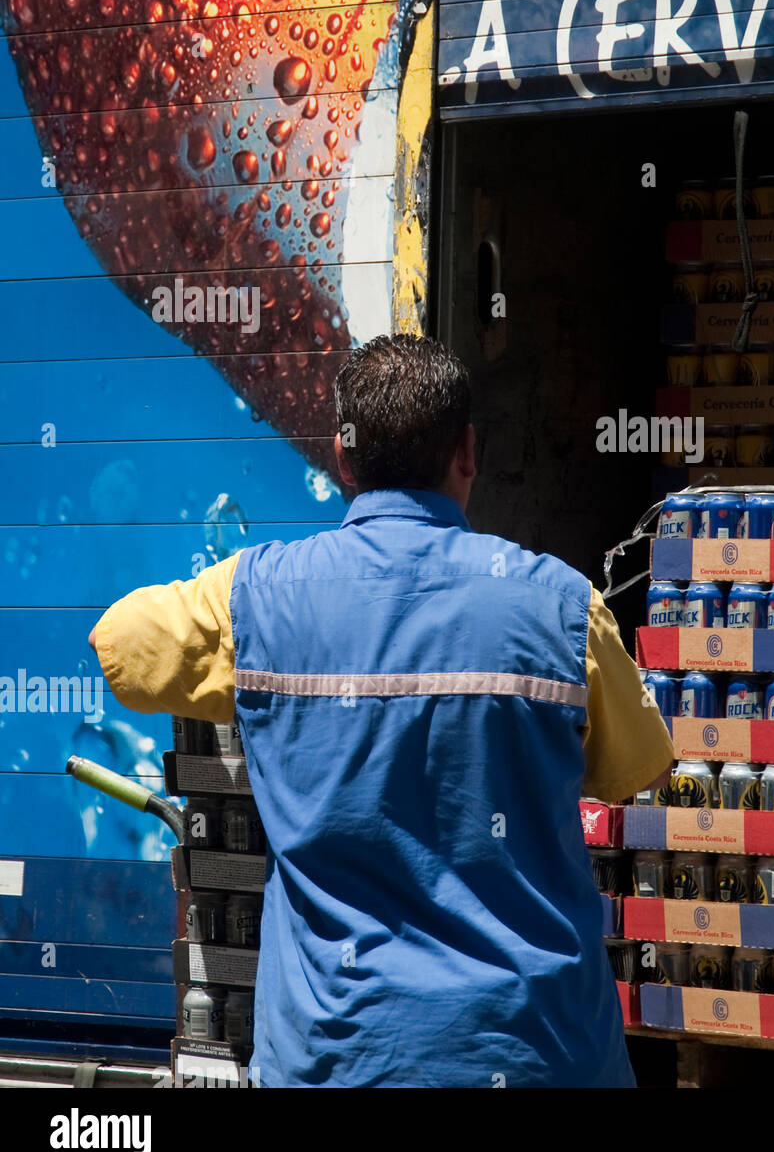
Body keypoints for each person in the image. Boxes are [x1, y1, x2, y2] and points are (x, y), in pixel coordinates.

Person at [90, 335, 674, 1087]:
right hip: (539, 1051)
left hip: (341, 1060)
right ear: (468, 451)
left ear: (342, 457)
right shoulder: (561, 607)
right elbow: (640, 767)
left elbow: (118, 642)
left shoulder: (260, 598)